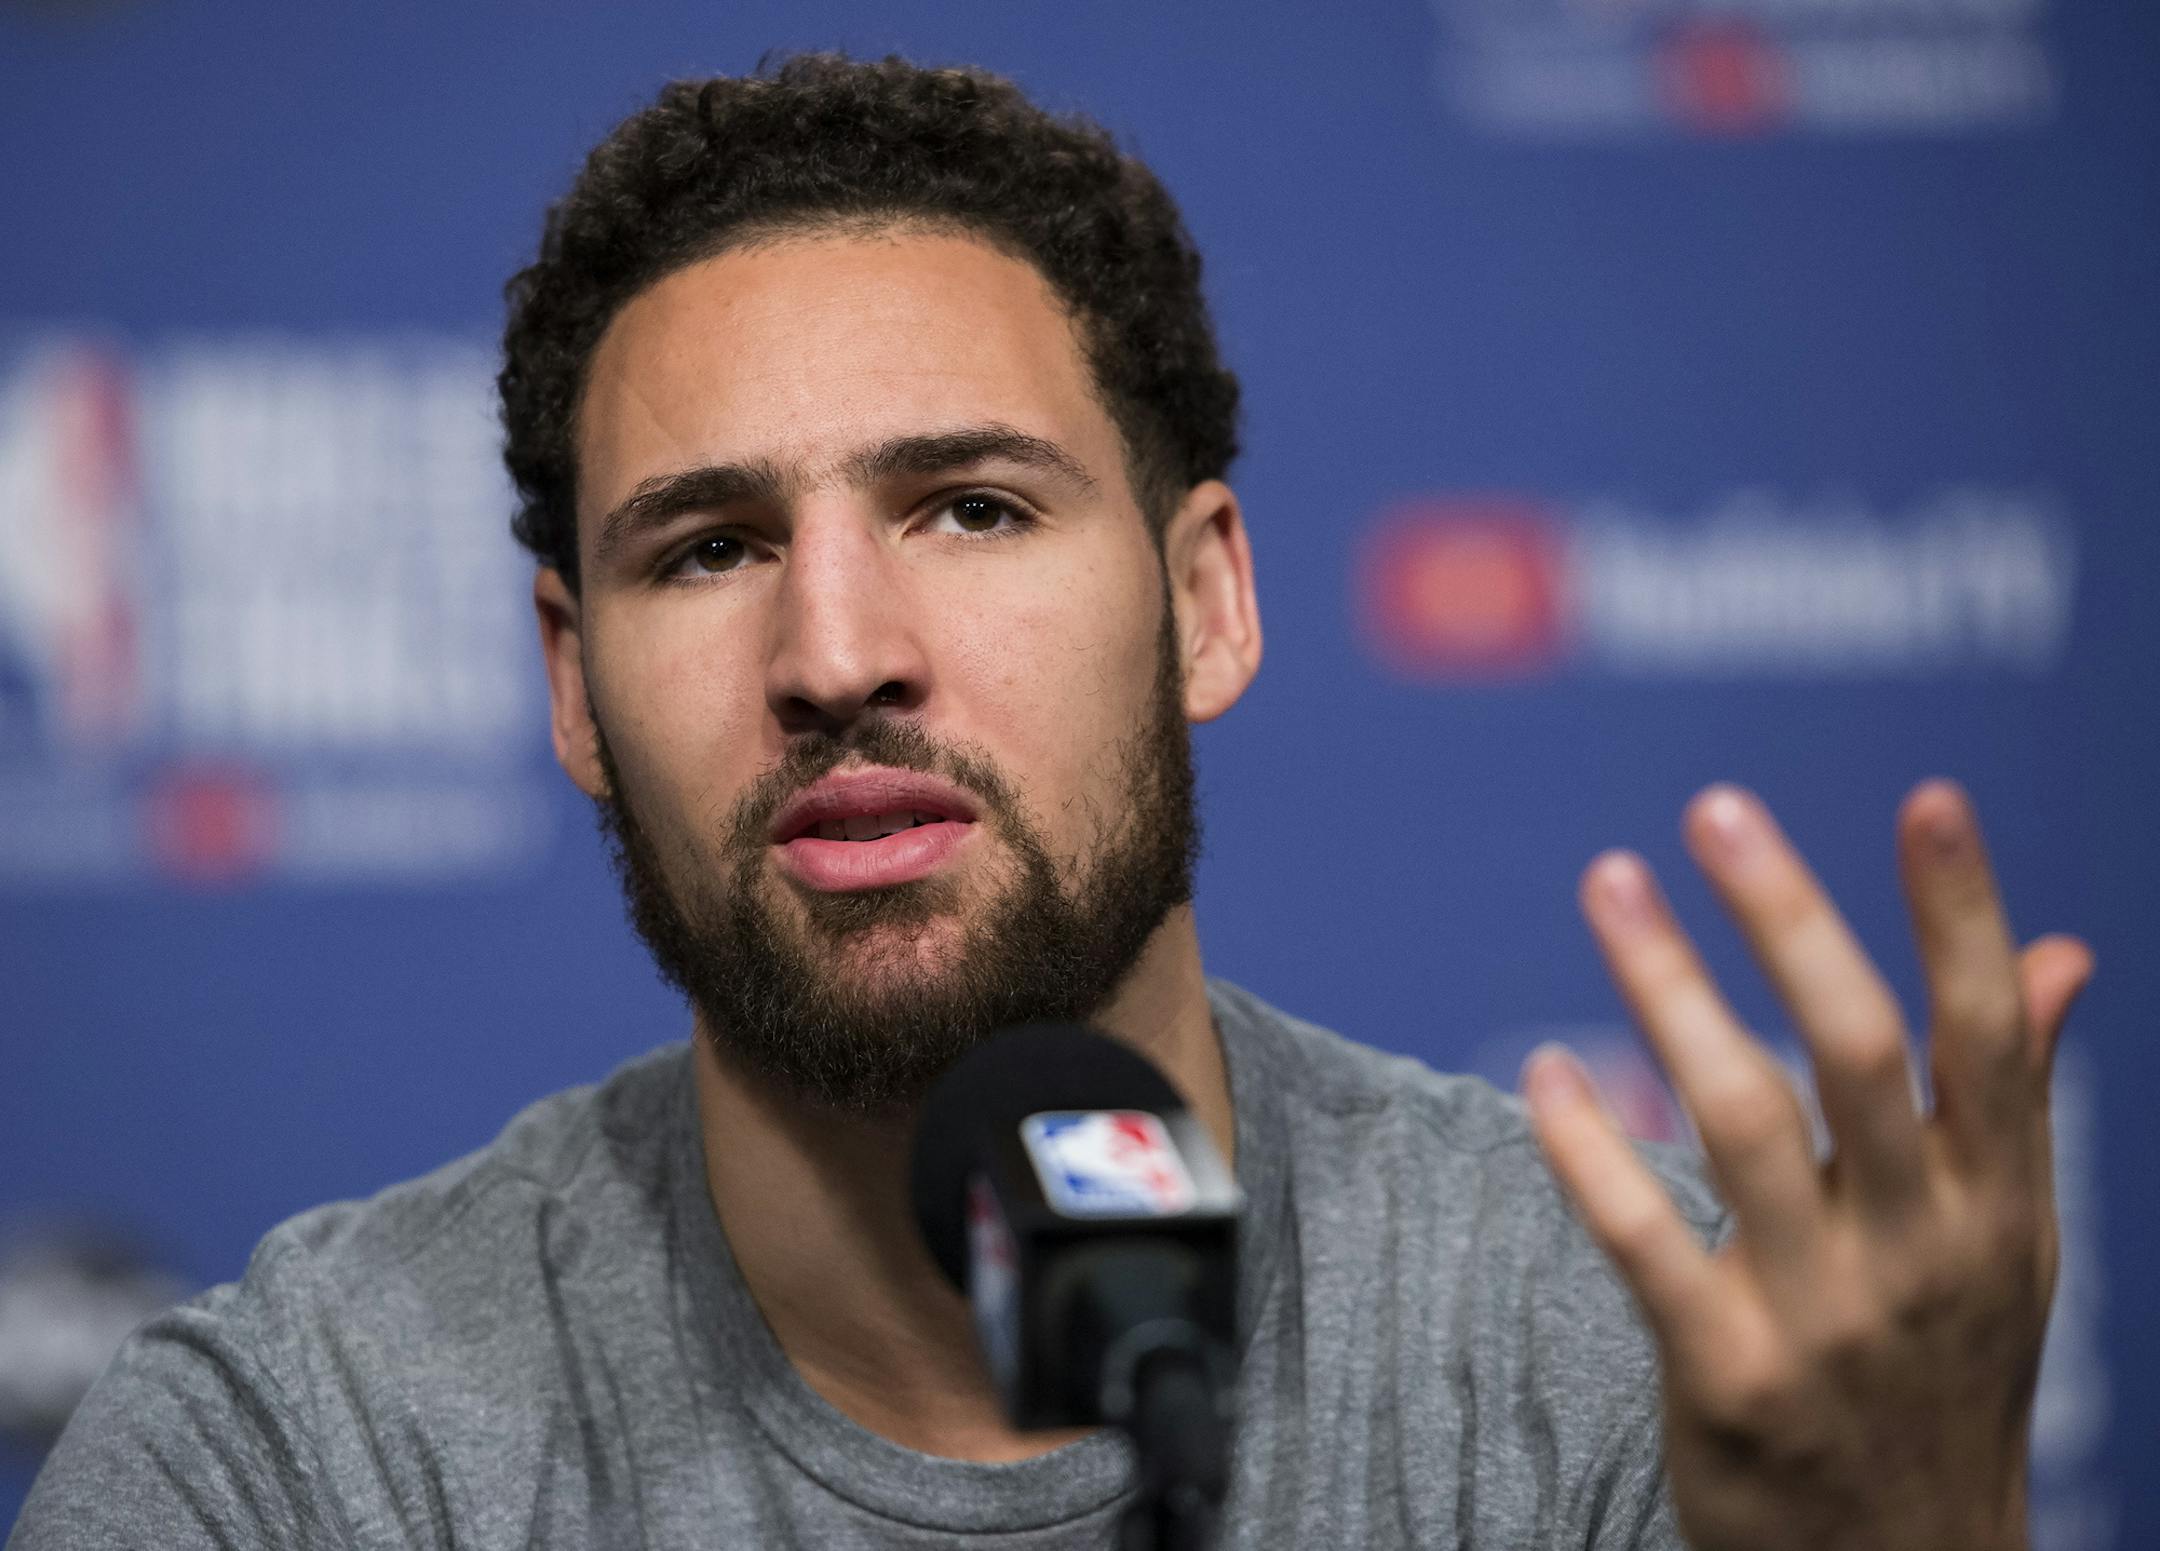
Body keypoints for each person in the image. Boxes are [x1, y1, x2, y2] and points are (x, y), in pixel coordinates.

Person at [11, 54, 2091, 1551]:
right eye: (711, 547)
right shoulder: (299, 1455)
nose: (838, 649)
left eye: (973, 506)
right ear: (572, 679)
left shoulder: (1639, 1364)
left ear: (1204, 601)